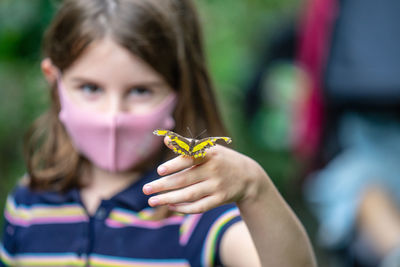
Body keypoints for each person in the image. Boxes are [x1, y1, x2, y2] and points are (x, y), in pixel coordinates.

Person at [0, 0, 316, 266]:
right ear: (54, 81)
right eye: (90, 88)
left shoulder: (198, 211)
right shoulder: (28, 203)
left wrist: (254, 188)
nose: (113, 117)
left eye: (140, 91)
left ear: (180, 90)